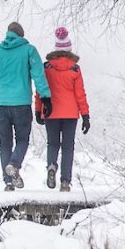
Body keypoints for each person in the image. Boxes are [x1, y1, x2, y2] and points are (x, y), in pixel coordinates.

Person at [0, 20, 51, 190]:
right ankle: (14, 164)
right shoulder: (29, 50)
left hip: (1, 104)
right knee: (22, 140)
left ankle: (9, 182)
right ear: (21, 35)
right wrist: (46, 98)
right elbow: (39, 76)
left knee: (5, 143)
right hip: (21, 104)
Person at [41, 26, 92, 192]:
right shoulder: (75, 69)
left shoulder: (47, 67)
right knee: (68, 147)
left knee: (52, 144)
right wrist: (85, 115)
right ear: (69, 49)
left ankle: (51, 166)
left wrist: (37, 110)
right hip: (70, 114)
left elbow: (40, 90)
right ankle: (65, 182)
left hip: (51, 112)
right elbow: (80, 94)